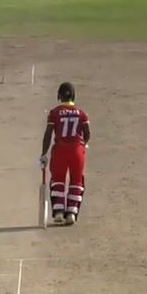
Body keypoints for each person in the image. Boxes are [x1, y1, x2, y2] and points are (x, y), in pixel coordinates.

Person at [39, 82, 91, 226]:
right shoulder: (82, 114)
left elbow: (48, 135)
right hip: (77, 151)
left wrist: (44, 154)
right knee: (76, 181)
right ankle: (72, 213)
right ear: (74, 96)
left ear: (58, 96)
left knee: (58, 180)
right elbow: (87, 134)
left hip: (60, 150)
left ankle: (59, 212)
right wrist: (83, 144)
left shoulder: (54, 113)